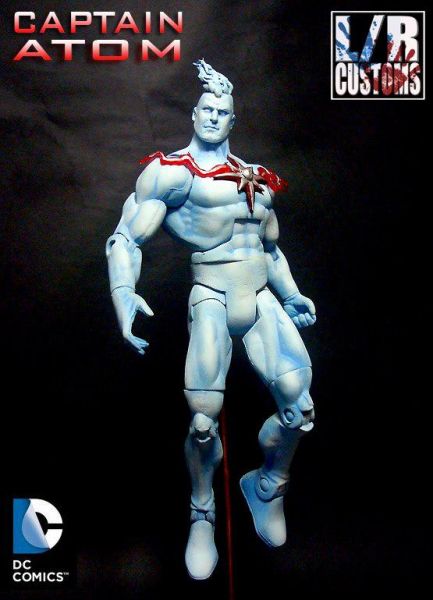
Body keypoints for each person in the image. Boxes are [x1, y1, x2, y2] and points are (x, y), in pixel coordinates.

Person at [106, 59, 316, 580]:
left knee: (300, 409)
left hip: (260, 297)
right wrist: (123, 292)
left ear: (233, 119)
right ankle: (202, 511)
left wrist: (291, 294)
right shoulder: (173, 173)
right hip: (212, 298)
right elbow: (126, 238)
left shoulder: (254, 176)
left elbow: (270, 248)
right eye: (206, 109)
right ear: (195, 114)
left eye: (223, 111)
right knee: (203, 422)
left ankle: (266, 487)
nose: (213, 117)